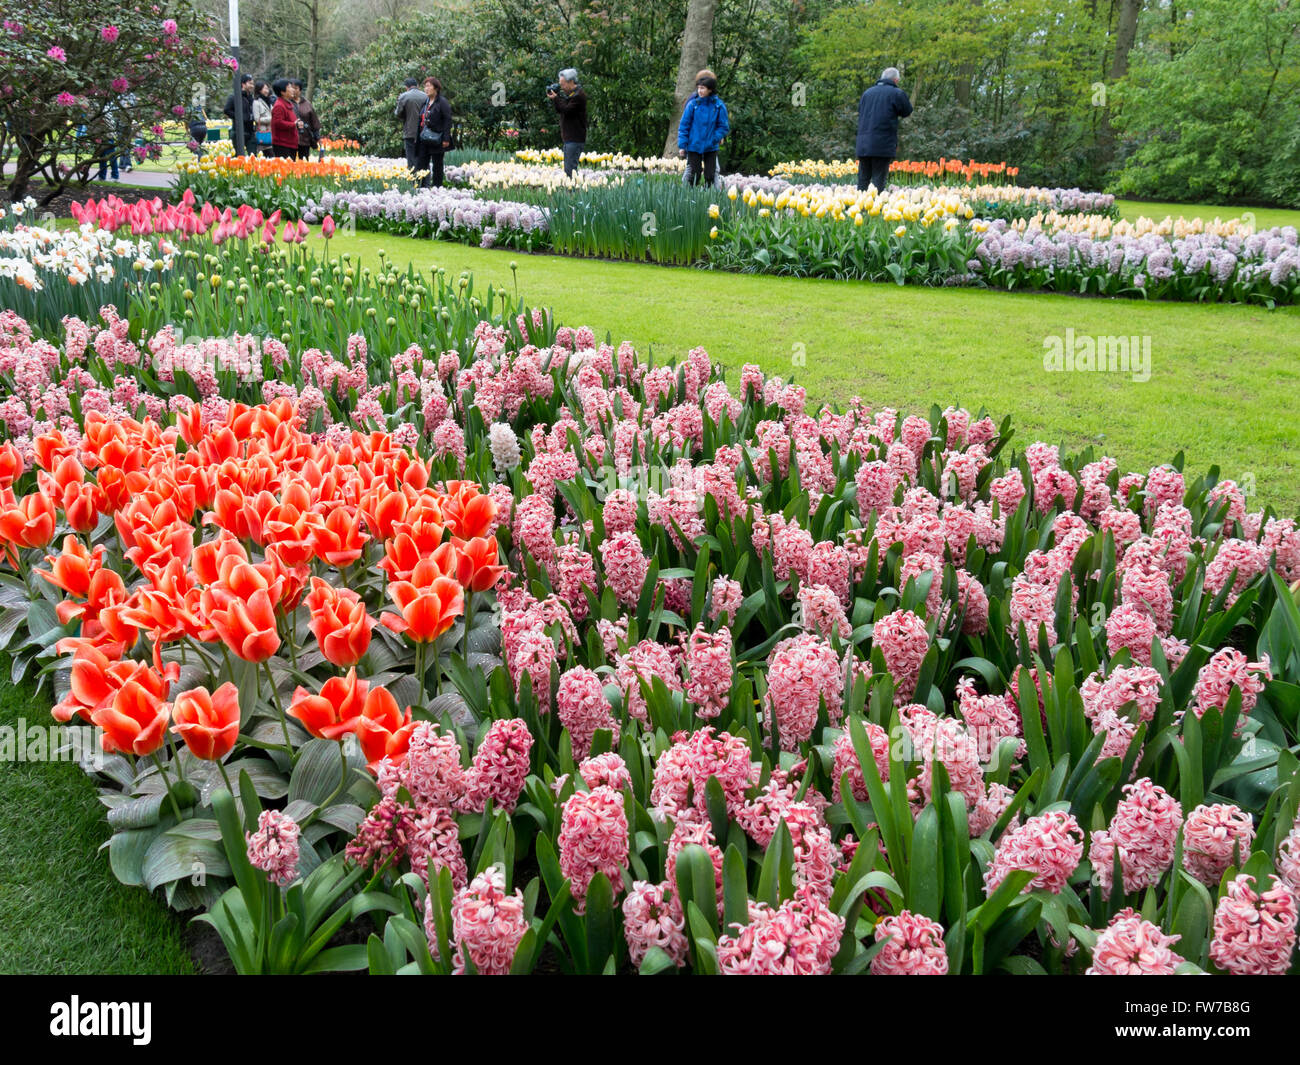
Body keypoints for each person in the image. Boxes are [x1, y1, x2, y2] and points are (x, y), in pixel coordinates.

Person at [856, 66, 912, 195]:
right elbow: (907, 111)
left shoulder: (867, 93)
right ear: (896, 80)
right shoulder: (896, 93)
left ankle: (859, 209)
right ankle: (875, 211)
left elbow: (861, 112)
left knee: (863, 180)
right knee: (878, 181)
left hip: (863, 143)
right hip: (882, 143)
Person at [677, 71, 729, 187]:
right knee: (693, 173)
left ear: (710, 89)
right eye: (698, 88)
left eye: (703, 88)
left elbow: (723, 126)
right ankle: (687, 195)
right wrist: (682, 145)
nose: (700, 91)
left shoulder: (718, 105)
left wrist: (715, 138)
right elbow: (684, 125)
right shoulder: (692, 104)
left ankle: (710, 198)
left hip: (711, 145)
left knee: (711, 174)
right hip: (694, 145)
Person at [547, 68, 587, 178]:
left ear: (570, 82)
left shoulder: (579, 96)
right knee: (568, 170)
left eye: (563, 84)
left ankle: (573, 193)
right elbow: (561, 109)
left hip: (575, 138)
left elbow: (566, 110)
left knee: (570, 171)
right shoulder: (572, 95)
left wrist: (556, 99)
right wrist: (556, 99)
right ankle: (572, 192)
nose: (561, 88)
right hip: (570, 139)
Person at [417, 76, 452, 188]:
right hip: (424, 138)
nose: (426, 89)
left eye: (428, 86)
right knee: (421, 163)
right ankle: (422, 187)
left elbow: (447, 119)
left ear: (436, 88)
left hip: (437, 138)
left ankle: (437, 188)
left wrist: (446, 138)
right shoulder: (426, 102)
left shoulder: (442, 102)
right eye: (425, 86)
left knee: (437, 165)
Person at [395, 77, 428, 175]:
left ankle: (414, 183)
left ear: (406, 87)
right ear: (417, 86)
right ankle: (425, 184)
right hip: (424, 132)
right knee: (424, 158)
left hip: (410, 131)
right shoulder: (425, 96)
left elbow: (398, 113)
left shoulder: (404, 96)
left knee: (411, 159)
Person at [223, 74, 256, 153]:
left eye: (253, 84)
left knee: (253, 155)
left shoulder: (251, 98)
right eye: (250, 83)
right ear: (243, 84)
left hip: (251, 130)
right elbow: (227, 110)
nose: (252, 86)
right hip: (238, 131)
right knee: (239, 156)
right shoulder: (235, 96)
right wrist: (240, 117)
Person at [270, 79, 300, 159]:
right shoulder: (279, 106)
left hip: (291, 142)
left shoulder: (288, 104)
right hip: (282, 144)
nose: (292, 89)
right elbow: (278, 123)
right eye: (289, 87)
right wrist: (294, 124)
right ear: (283, 92)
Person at [292, 80, 320, 161]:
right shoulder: (287, 103)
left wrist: (317, 136)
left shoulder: (307, 104)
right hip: (291, 138)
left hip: (305, 138)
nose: (293, 90)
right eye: (292, 88)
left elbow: (314, 120)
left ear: (300, 90)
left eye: (296, 88)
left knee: (304, 161)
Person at [252, 80, 274, 155]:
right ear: (259, 90)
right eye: (265, 88)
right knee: (266, 155)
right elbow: (257, 119)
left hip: (271, 132)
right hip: (263, 133)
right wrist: (271, 119)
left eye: (267, 89)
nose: (267, 91)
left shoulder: (269, 101)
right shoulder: (256, 102)